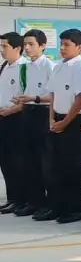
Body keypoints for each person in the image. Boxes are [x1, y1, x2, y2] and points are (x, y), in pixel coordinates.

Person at [38, 29, 81, 224]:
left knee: (72, 167)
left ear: (79, 48)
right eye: (61, 44)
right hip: (57, 120)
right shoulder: (58, 67)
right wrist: (52, 119)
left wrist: (65, 122)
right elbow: (52, 94)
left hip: (74, 121)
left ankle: (74, 209)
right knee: (53, 167)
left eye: (67, 45)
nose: (62, 48)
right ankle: (56, 206)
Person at [11, 29, 55, 218]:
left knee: (43, 159)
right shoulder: (25, 67)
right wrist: (21, 100)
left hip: (42, 113)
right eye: (25, 44)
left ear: (43, 46)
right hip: (27, 112)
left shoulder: (50, 67)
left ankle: (48, 202)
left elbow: (52, 96)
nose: (27, 48)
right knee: (28, 160)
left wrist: (34, 98)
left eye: (31, 44)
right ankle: (34, 201)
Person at [0, 32, 27, 215]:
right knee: (6, 161)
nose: (2, 50)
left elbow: (27, 97)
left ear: (17, 48)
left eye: (5, 47)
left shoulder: (24, 67)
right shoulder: (4, 66)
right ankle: (12, 198)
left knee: (19, 161)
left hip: (16, 118)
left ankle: (22, 199)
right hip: (3, 117)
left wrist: (9, 111)